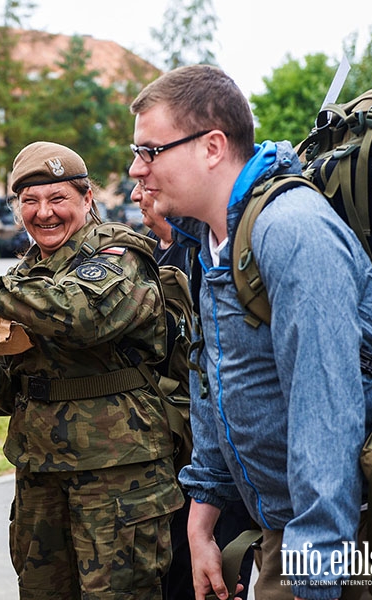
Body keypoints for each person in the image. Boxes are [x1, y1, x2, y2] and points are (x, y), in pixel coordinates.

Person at [129, 65, 372, 600]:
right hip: (299, 521)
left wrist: (313, 567)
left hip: (367, 520)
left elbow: (325, 406)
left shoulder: (290, 229)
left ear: (212, 146)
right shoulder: (214, 238)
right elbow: (216, 381)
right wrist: (202, 517)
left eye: (150, 150)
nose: (136, 169)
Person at [0, 141, 183, 598]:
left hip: (117, 478)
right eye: (29, 201)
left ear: (87, 199)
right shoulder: (29, 274)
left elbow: (82, 315)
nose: (44, 213)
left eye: (57, 199)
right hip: (40, 476)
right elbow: (13, 396)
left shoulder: (119, 255)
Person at [132, 182, 254, 600]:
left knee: (223, 576)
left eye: (146, 184)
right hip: (182, 457)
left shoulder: (207, 251)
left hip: (226, 455)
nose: (136, 193)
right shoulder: (146, 256)